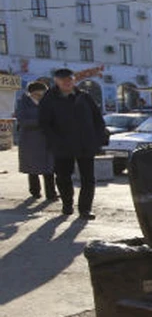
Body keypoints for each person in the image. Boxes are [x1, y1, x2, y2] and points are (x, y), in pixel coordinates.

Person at [38, 68, 108, 219]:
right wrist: (55, 141)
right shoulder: (49, 99)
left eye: (70, 79)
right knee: (63, 177)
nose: (67, 83)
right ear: (56, 81)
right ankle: (67, 205)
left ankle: (85, 209)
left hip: (85, 144)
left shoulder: (84, 97)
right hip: (62, 146)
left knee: (88, 178)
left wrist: (97, 139)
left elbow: (98, 119)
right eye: (63, 80)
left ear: (74, 80)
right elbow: (44, 124)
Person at [14, 81, 57, 201]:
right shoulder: (23, 103)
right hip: (30, 141)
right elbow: (22, 121)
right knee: (33, 168)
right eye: (39, 94)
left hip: (46, 141)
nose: (41, 96)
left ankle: (51, 194)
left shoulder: (47, 103)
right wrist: (41, 122)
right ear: (31, 93)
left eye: (43, 94)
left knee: (49, 169)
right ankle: (35, 192)